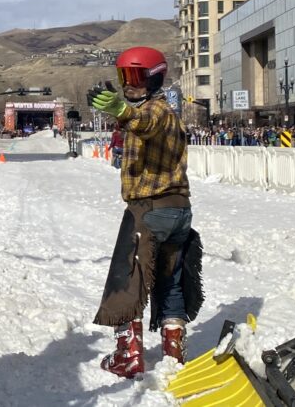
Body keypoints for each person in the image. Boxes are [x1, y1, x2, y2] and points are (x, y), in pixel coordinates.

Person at [89, 47, 202, 378]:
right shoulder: (166, 114)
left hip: (151, 208)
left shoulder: (158, 112)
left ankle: (129, 355)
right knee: (170, 282)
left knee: (127, 280)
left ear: (154, 79)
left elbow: (145, 122)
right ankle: (173, 353)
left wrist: (122, 110)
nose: (130, 84)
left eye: (137, 77)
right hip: (179, 212)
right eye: (125, 77)